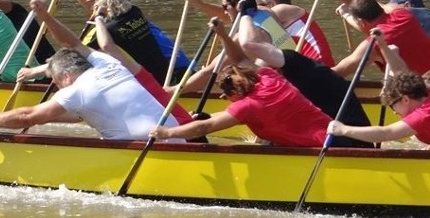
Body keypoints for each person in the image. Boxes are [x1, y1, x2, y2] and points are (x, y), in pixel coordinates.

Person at [0, 0, 185, 140]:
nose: (57, 87)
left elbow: (27, 116)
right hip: (176, 136)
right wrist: (46, 16)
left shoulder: (76, 91)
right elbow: (73, 45)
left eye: (57, 83)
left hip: (152, 148)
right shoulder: (108, 64)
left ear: (67, 76)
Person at [151, 61, 361, 148]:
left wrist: (167, 133)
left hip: (329, 148)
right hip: (344, 137)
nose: (226, 100)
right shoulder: (269, 77)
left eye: (226, 96)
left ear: (233, 93)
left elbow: (205, 128)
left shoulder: (247, 107)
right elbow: (214, 119)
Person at [236, 12, 373, 141]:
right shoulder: (294, 66)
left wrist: (244, 14)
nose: (271, 75)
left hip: (347, 141)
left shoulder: (295, 64)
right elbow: (244, 61)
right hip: (342, 133)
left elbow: (249, 44)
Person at [57, 0, 192, 83]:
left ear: (105, 3)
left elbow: (75, 55)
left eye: (96, 1)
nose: (94, 4)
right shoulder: (134, 11)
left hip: (170, 77)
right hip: (181, 70)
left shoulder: (107, 30)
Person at [312, 0, 430, 77]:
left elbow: (336, 73)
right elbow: (375, 11)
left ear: (361, 22)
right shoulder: (403, 13)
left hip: (419, 98)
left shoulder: (373, 45)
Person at [327, 71, 430, 146]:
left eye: (392, 105)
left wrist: (343, 129)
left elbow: (385, 134)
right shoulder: (425, 90)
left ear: (405, 100)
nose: (394, 112)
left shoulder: (423, 116)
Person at [257, 0, 335, 66]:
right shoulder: (280, 25)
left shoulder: (282, 9)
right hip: (313, 68)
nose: (258, 11)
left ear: (271, 4)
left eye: (260, 5)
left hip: (319, 68)